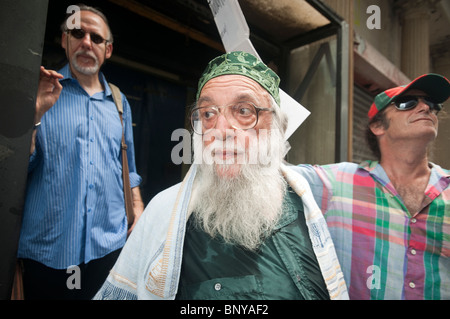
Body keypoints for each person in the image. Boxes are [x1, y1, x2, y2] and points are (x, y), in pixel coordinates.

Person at [94, 51, 348, 300]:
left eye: (244, 111)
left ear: (277, 128)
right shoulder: (164, 213)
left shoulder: (317, 200)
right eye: (207, 114)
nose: (221, 130)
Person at [17, 4, 144, 299]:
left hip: (109, 248)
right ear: (64, 40)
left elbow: (129, 167)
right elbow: (17, 169)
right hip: (49, 254)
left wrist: (137, 208)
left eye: (96, 38)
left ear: (108, 49)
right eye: (78, 33)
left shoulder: (118, 101)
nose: (87, 42)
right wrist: (35, 115)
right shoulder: (41, 92)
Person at [295, 74, 450, 299]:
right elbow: (269, 172)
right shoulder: (336, 183)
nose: (426, 107)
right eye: (407, 103)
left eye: (433, 104)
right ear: (378, 125)